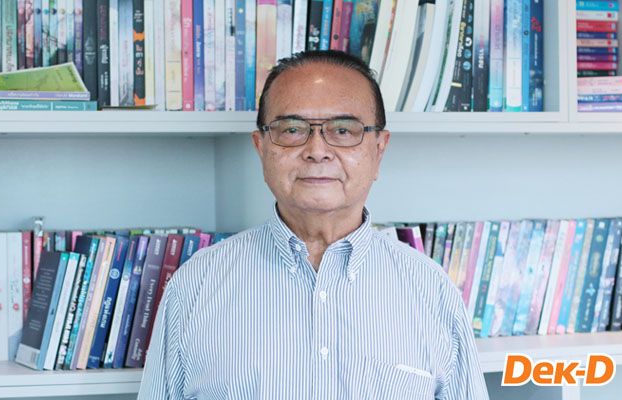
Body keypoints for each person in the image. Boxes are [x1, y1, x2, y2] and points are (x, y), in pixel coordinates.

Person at [138, 51, 489, 399]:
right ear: (261, 147)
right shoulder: (196, 285)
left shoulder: (431, 290)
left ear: (379, 149)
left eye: (343, 130)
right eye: (292, 129)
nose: (317, 150)